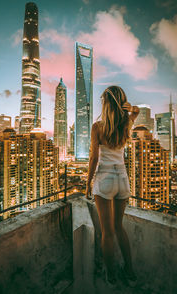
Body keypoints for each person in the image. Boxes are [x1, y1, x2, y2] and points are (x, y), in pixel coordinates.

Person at [85, 85, 140, 287]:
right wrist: (130, 107)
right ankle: (130, 270)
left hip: (105, 179)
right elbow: (137, 112)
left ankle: (111, 275)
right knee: (119, 228)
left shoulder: (97, 127)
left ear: (106, 103)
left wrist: (88, 182)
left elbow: (93, 157)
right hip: (123, 180)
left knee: (107, 232)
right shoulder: (126, 123)